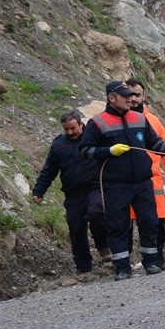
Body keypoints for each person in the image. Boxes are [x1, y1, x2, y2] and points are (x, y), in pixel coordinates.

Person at [79, 81, 165, 280]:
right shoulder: (98, 123)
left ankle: (151, 262)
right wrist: (109, 151)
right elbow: (84, 150)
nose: (130, 99)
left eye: (131, 95)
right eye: (125, 96)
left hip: (142, 181)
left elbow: (156, 143)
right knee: (118, 225)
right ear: (112, 98)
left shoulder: (140, 118)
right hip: (115, 184)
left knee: (149, 221)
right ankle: (122, 268)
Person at [31, 108, 110, 274]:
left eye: (73, 128)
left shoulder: (94, 138)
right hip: (73, 194)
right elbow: (49, 170)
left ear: (81, 123)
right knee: (76, 229)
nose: (70, 132)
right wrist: (39, 191)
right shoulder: (59, 145)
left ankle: (105, 249)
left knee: (96, 212)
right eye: (66, 129)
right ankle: (83, 268)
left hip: (96, 187)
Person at [126, 79, 165, 269]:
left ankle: (157, 258)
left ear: (144, 96)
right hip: (125, 180)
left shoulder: (153, 121)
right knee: (124, 224)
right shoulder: (117, 120)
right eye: (130, 94)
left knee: (157, 222)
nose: (134, 98)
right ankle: (124, 264)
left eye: (138, 94)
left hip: (153, 180)